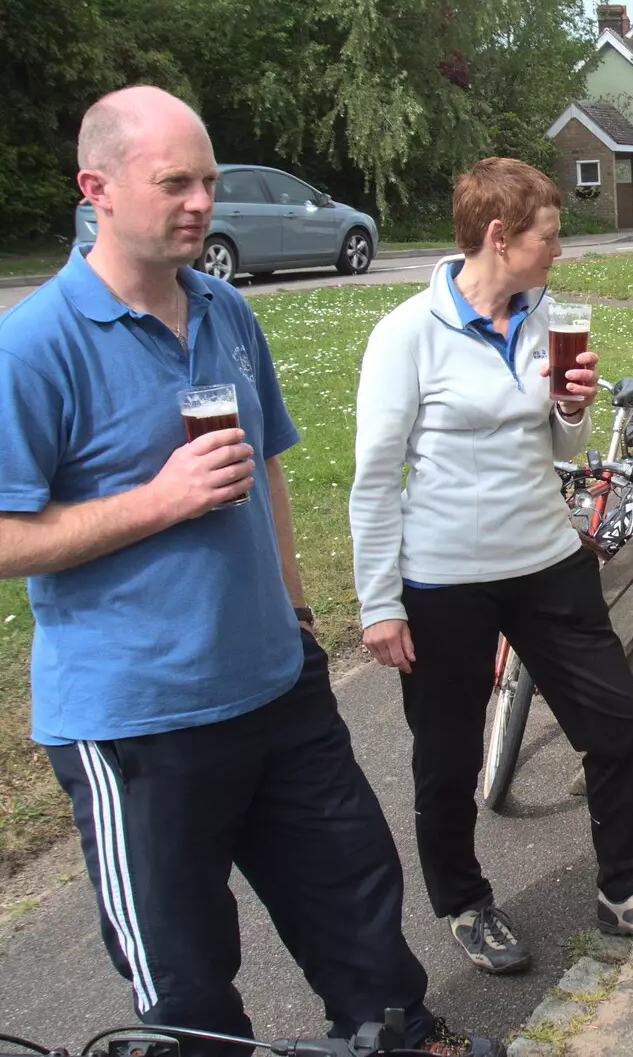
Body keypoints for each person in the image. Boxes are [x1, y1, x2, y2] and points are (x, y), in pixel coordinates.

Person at [0, 87, 497, 1056]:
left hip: (277, 686)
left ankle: (395, 1036)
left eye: (209, 181)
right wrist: (160, 498)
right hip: (137, 722)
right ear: (94, 189)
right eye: (173, 182)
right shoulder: (35, 343)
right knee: (186, 975)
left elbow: (264, 464)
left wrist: (301, 617)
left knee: (356, 898)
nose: (199, 202)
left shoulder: (226, 308)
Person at [349, 157, 633, 976]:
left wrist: (572, 408)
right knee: (447, 757)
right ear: (498, 236)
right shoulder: (408, 333)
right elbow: (375, 479)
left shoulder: (546, 314)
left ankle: (624, 891)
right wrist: (380, 604)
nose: (558, 251)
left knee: (617, 723)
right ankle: (464, 903)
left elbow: (562, 447)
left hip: (546, 560)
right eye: (548, 236)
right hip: (443, 580)